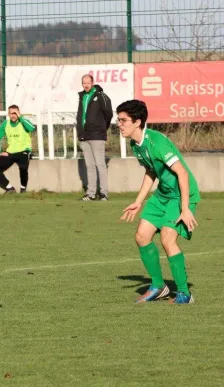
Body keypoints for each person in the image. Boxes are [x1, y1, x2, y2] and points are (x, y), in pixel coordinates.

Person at [118, 99, 199, 305]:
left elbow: (182, 173)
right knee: (142, 236)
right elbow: (151, 171)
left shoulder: (157, 142)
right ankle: (158, 286)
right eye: (118, 120)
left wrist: (185, 208)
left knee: (167, 239)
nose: (119, 124)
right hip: (162, 195)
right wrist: (138, 201)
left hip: (181, 195)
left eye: (124, 120)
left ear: (137, 122)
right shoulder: (136, 144)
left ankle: (184, 293)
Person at [76, 74, 113, 201]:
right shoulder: (82, 97)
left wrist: (102, 127)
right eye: (83, 83)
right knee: (89, 166)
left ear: (92, 83)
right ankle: (91, 193)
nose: (86, 85)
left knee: (100, 165)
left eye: (88, 82)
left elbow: (109, 113)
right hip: (84, 136)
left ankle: (104, 193)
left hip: (97, 135)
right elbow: (81, 116)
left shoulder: (100, 95)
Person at [0, 105, 35, 193]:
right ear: (8, 114)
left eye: (15, 113)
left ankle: (23, 189)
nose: (13, 115)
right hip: (10, 152)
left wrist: (21, 117)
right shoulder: (5, 124)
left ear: (18, 113)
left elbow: (32, 128)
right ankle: (10, 188)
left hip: (24, 150)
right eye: (11, 113)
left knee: (23, 167)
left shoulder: (24, 121)